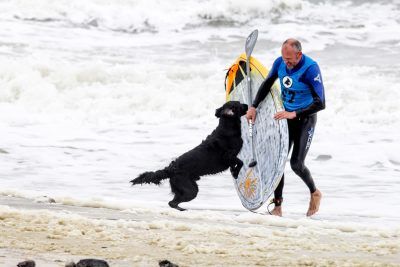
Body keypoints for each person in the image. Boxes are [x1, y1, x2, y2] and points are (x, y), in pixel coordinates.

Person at [246, 38, 325, 217]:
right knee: (277, 162)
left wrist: (294, 114)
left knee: (296, 164)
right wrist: (254, 106)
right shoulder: (280, 63)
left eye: (289, 59)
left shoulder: (310, 69)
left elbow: (321, 103)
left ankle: (314, 192)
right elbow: (267, 83)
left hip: (305, 119)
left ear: (299, 55)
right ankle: (278, 207)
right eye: (283, 58)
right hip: (286, 118)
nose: (286, 62)